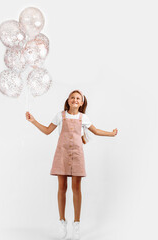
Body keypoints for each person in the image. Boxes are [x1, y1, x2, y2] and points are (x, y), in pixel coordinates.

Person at [25, 89, 118, 240]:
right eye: (72, 97)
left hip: (77, 155)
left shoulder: (83, 117)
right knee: (62, 187)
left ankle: (76, 223)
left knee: (76, 188)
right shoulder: (60, 115)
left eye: (78, 98)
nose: (75, 100)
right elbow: (48, 131)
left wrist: (111, 133)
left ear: (81, 103)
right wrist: (33, 121)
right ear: (68, 100)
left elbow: (95, 131)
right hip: (62, 154)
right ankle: (62, 222)